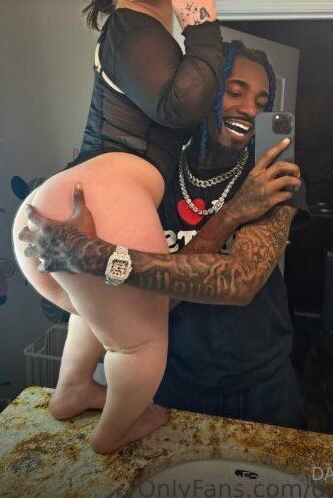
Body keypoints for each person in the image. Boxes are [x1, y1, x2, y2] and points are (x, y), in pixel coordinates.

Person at [19, 40, 309, 429]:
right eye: (235, 92)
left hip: (259, 386)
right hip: (167, 382)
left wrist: (97, 257)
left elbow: (240, 282)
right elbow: (148, 301)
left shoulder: (273, 178)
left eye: (262, 100)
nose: (250, 109)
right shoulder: (152, 175)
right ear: (204, 94)